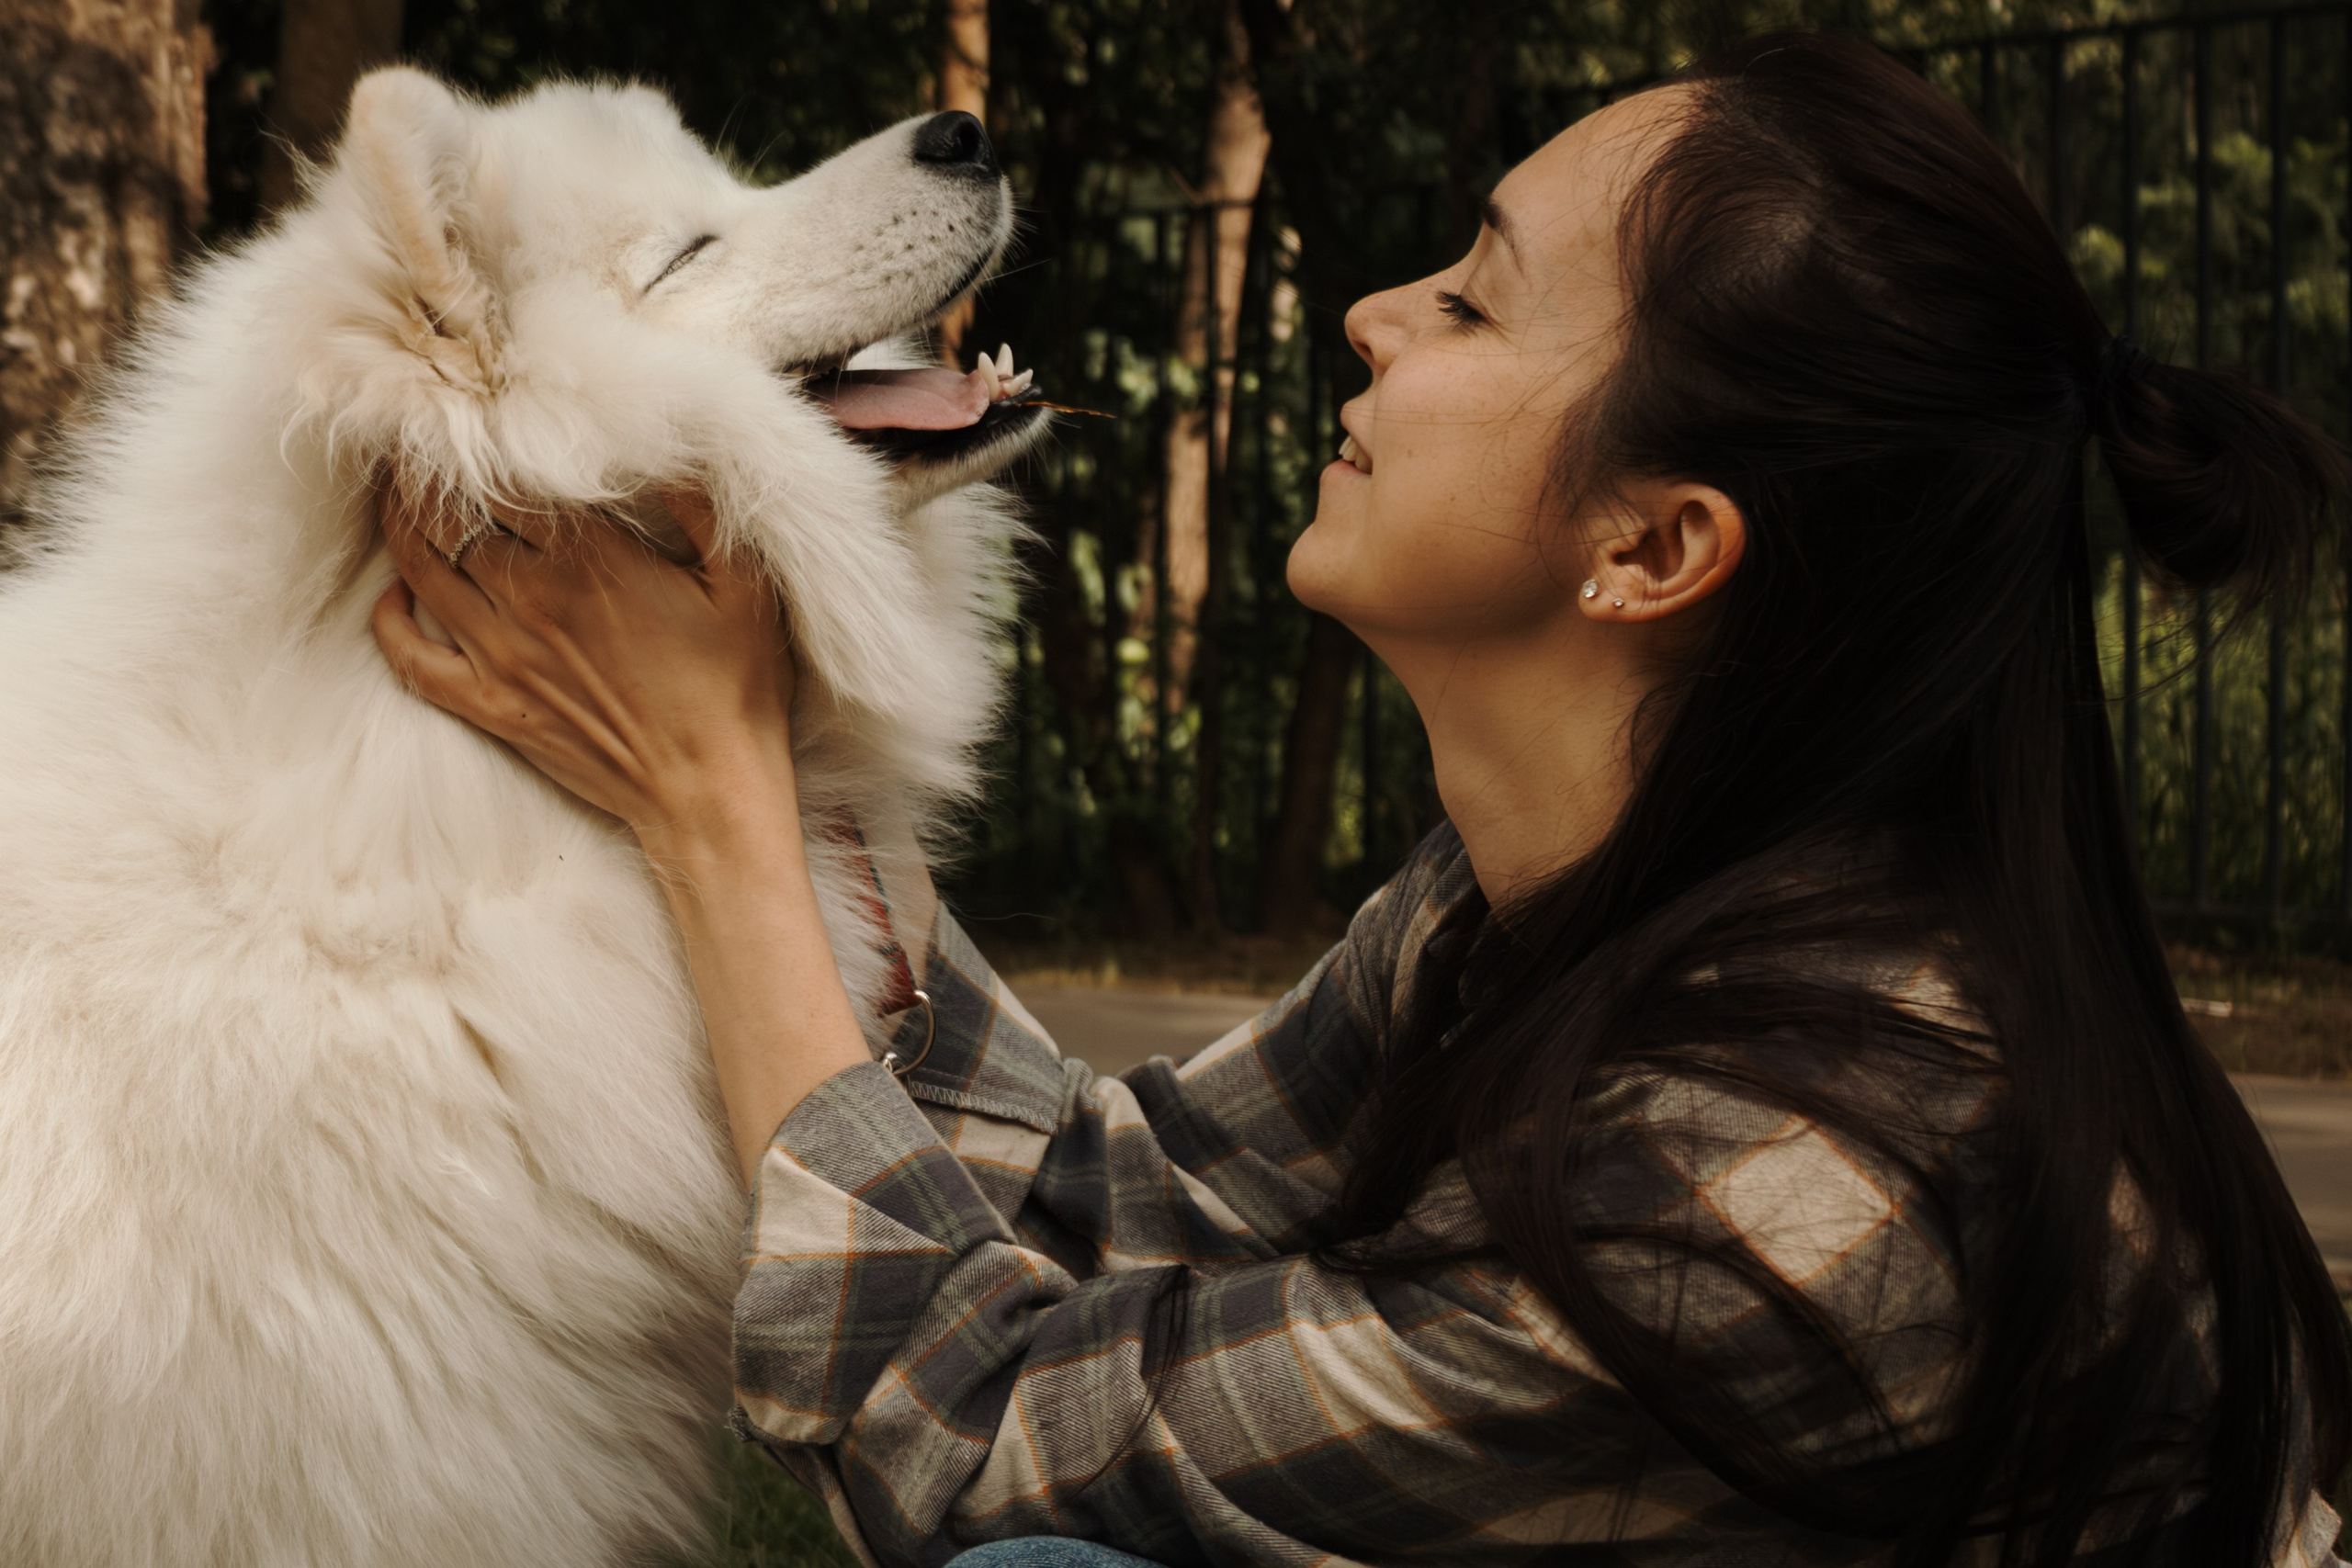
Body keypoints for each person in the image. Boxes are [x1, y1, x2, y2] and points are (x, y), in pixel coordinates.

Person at [372, 32, 2352, 1568]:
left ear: (1652, 546)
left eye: (1473, 303)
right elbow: (1110, 1197)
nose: (1369, 314)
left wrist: (721, 811)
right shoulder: (1575, 898)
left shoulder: (1778, 1195)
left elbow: (958, 1428)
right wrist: (762, 757)